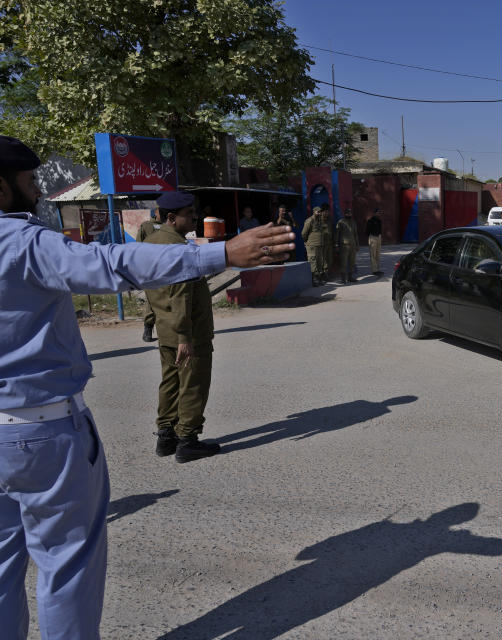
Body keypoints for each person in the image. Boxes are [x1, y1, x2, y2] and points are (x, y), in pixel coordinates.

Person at [0, 135, 295, 640]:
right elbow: (111, 266)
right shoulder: (23, 242)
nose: (36, 193)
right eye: (28, 183)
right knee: (66, 565)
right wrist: (223, 252)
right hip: (43, 433)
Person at [144, 192, 222, 463]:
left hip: (166, 329)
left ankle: (166, 437)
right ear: (171, 218)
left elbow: (152, 290)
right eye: (189, 214)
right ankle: (187, 440)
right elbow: (181, 296)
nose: (194, 217)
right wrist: (185, 337)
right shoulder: (181, 249)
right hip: (187, 332)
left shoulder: (151, 243)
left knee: (170, 381)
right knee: (193, 383)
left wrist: (156, 323)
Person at [135, 208, 164, 342]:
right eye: (160, 211)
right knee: (152, 297)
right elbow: (138, 247)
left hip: (166, 267)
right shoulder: (146, 226)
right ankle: (148, 327)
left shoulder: (168, 227)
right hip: (151, 268)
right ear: (155, 212)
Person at [302, 204, 332, 285]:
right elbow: (304, 233)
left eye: (320, 212)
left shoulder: (319, 221)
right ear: (314, 212)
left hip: (319, 245)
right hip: (312, 245)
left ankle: (319, 279)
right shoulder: (309, 221)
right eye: (318, 212)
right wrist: (306, 242)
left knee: (319, 262)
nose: (319, 213)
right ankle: (314, 279)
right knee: (313, 262)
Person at [336, 207, 359, 284]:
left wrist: (357, 245)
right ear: (345, 214)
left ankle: (350, 277)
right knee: (344, 262)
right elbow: (337, 234)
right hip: (344, 245)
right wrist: (336, 244)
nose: (349, 214)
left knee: (352, 262)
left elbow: (356, 234)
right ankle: (343, 278)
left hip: (352, 245)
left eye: (350, 213)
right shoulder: (341, 222)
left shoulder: (353, 222)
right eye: (347, 213)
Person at [365, 208, 383, 276]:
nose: (378, 213)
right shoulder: (370, 220)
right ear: (374, 213)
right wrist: (370, 237)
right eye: (377, 212)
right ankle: (374, 270)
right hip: (373, 237)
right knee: (373, 255)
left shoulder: (379, 220)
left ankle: (378, 269)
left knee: (378, 254)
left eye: (379, 212)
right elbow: (367, 231)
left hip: (378, 237)